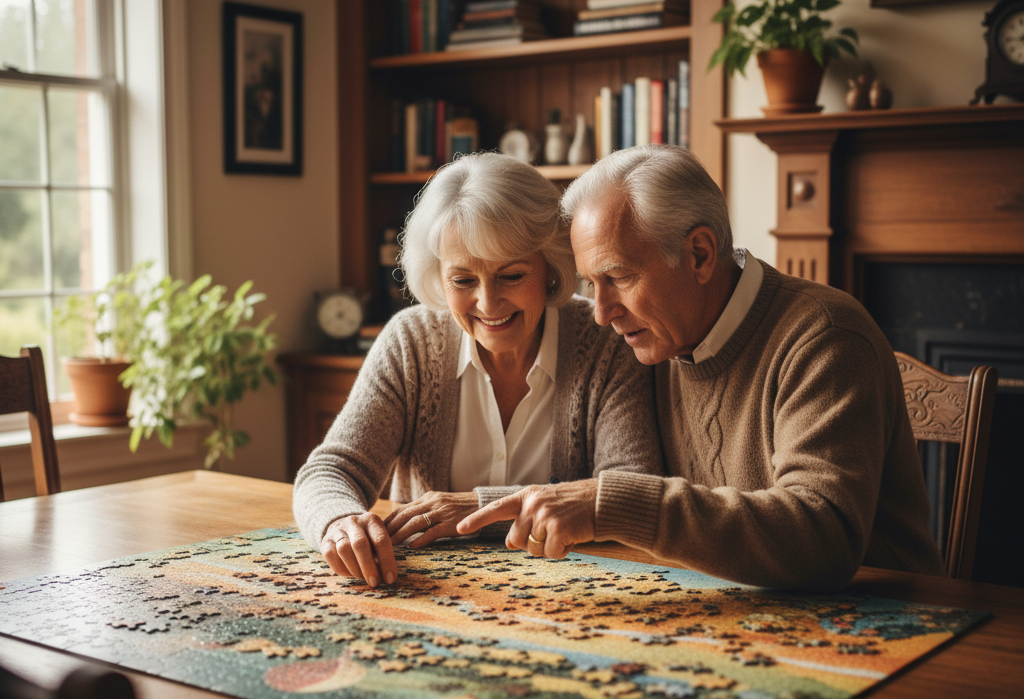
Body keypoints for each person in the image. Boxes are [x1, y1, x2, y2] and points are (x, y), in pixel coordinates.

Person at [459, 144, 943, 591]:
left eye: (619, 277)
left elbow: (823, 536)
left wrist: (613, 505)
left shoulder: (824, 336)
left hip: (889, 620)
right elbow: (594, 494)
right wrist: (476, 508)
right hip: (735, 615)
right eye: (590, 283)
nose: (602, 312)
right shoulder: (653, 342)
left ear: (700, 254)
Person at [293, 151, 664, 587]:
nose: (487, 304)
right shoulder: (410, 341)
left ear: (549, 267)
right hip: (425, 597)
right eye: (463, 281)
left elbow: (632, 489)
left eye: (510, 276)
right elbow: (331, 469)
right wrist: (339, 522)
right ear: (438, 275)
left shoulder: (604, 339)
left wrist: (473, 509)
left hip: (573, 597)